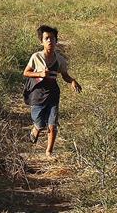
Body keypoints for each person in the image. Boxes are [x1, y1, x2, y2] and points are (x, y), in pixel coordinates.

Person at [23, 25, 82, 156]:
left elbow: (65, 75)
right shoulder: (36, 57)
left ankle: (49, 152)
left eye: (52, 38)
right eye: (46, 38)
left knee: (52, 124)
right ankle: (36, 128)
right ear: (41, 41)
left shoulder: (60, 59)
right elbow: (26, 73)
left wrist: (72, 80)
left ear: (56, 41)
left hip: (53, 94)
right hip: (37, 94)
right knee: (39, 122)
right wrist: (39, 74)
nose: (50, 41)